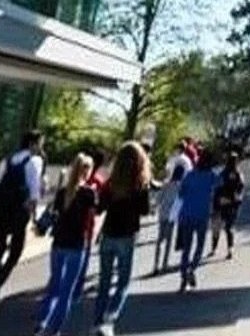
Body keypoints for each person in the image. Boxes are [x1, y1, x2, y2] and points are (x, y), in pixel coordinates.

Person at [0, 130, 45, 316]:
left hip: (2, 208)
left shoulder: (7, 160)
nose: (41, 147)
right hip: (19, 211)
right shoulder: (33, 162)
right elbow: (34, 193)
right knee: (15, 251)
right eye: (40, 143)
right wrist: (34, 218)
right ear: (32, 144)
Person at [34, 153, 97, 336]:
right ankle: (54, 330)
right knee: (66, 291)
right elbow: (92, 218)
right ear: (87, 171)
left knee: (54, 286)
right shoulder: (89, 193)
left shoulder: (62, 192)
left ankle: (42, 322)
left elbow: (56, 214)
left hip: (59, 242)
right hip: (77, 244)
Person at [93, 142, 151, 335]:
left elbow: (100, 206)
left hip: (109, 232)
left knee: (104, 282)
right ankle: (109, 318)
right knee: (123, 282)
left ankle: (97, 322)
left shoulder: (111, 182)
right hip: (127, 234)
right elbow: (144, 210)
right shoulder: (140, 183)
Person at [176, 150, 219, 291]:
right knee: (199, 246)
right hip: (202, 215)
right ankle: (192, 268)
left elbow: (181, 194)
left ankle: (183, 277)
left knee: (186, 248)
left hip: (186, 214)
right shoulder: (211, 176)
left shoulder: (189, 175)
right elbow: (221, 183)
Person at [72, 150, 107, 303]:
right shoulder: (98, 182)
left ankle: (68, 288)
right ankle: (76, 291)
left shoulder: (77, 179)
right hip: (88, 226)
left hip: (73, 223)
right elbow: (99, 208)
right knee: (82, 260)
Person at [153, 144, 190, 274]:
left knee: (159, 239)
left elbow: (159, 199)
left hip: (162, 213)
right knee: (168, 240)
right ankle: (164, 263)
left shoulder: (166, 184)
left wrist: (156, 207)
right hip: (172, 215)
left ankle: (155, 264)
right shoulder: (181, 187)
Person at [210, 151, 244, 260]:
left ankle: (214, 249)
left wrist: (216, 202)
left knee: (216, 228)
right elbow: (240, 190)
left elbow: (216, 189)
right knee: (229, 227)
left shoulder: (222, 173)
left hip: (221, 203)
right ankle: (230, 249)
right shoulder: (238, 174)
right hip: (232, 204)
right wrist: (235, 201)